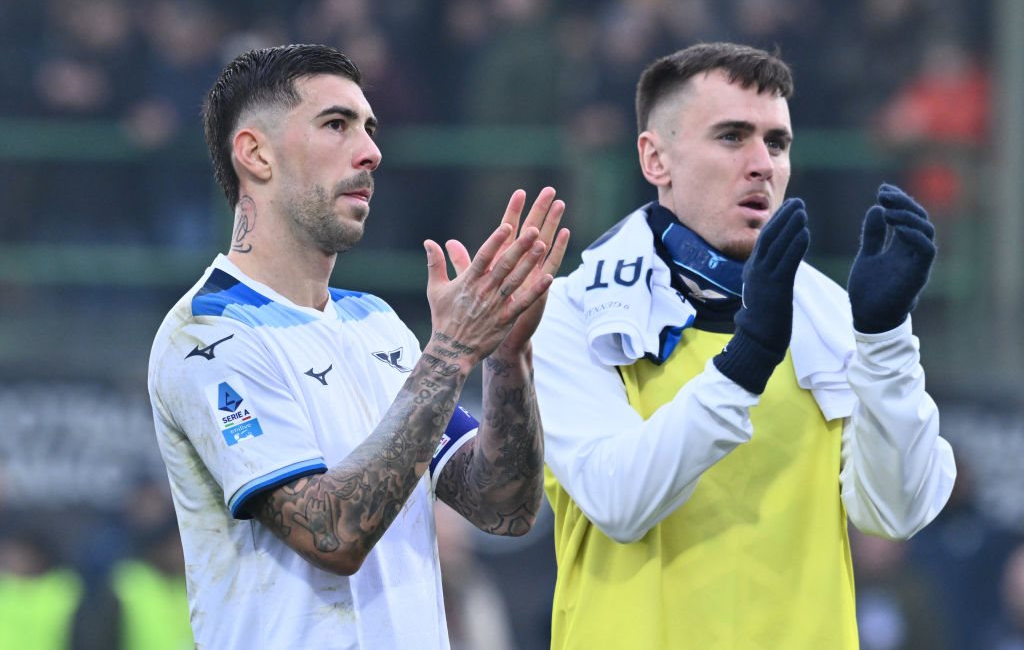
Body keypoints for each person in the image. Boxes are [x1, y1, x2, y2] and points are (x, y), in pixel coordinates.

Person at [531, 41, 956, 649]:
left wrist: (885, 340)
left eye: (777, 143)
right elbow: (619, 498)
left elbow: (897, 511)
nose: (762, 164)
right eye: (732, 137)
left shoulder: (830, 315)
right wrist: (746, 360)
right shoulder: (574, 312)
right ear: (655, 158)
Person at [147, 43, 569, 650]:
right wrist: (451, 350)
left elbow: (504, 507)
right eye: (336, 124)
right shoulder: (208, 333)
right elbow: (331, 534)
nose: (371, 151)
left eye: (370, 128)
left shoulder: (376, 324)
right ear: (256, 154)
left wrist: (507, 356)